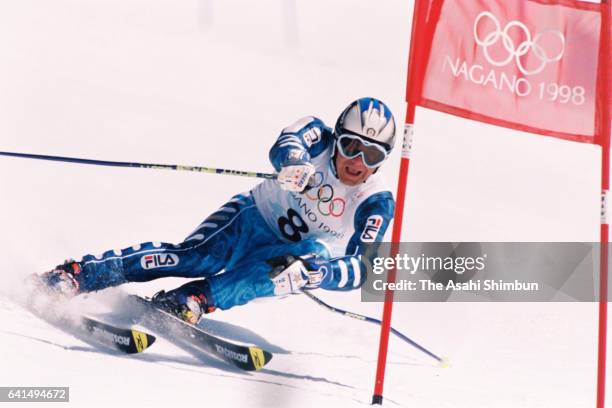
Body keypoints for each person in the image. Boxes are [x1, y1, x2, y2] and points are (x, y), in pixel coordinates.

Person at [38, 97, 397, 324]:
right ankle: (80, 274)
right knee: (194, 257)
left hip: (293, 251)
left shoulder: (375, 201)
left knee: (292, 269)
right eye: (351, 146)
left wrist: (319, 275)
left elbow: (365, 267)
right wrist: (293, 163)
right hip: (252, 218)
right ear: (337, 137)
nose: (357, 161)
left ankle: (193, 299)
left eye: (373, 155)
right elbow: (288, 141)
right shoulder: (317, 135)